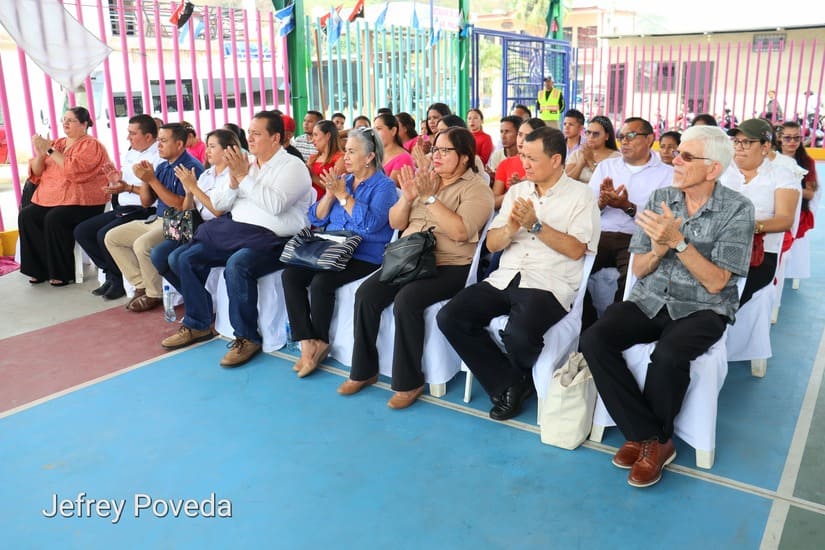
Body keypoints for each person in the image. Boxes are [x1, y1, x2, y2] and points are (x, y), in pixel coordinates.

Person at [580, 125, 755, 488]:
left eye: (686, 156)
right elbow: (640, 269)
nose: (675, 160)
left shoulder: (737, 210)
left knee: (670, 354)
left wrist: (678, 242)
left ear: (713, 169)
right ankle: (651, 437)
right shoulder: (661, 197)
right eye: (676, 153)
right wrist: (658, 250)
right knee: (594, 339)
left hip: (704, 307)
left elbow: (717, 283)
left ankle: (648, 443)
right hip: (652, 297)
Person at [438, 127, 600, 421]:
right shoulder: (518, 191)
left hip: (549, 282)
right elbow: (491, 244)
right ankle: (511, 383)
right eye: (523, 156)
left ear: (556, 160)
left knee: (520, 335)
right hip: (506, 276)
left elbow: (577, 250)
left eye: (532, 158)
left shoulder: (581, 196)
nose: (524, 163)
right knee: (450, 316)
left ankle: (510, 384)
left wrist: (536, 226)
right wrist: (511, 229)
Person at [338, 127, 494, 409]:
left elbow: (461, 232)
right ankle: (364, 370)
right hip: (408, 258)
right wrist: (407, 198)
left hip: (449, 264)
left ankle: (409, 382)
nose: (437, 156)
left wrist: (431, 199)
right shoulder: (425, 179)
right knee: (366, 294)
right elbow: (397, 223)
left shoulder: (477, 189)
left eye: (445, 150)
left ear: (464, 157)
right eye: (435, 149)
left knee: (407, 300)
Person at [161, 111, 312, 367]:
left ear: (275, 138)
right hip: (238, 233)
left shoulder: (293, 167)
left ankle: (247, 337)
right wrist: (233, 181)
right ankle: (198, 323)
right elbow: (219, 204)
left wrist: (244, 177)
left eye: (256, 134)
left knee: (238, 264)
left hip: (277, 240)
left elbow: (275, 205)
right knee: (184, 258)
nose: (249, 138)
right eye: (249, 132)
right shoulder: (247, 163)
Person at [282, 128, 397, 378]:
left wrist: (344, 196)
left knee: (322, 282)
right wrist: (330, 195)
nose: (346, 156)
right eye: (346, 151)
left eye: (352, 151)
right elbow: (315, 218)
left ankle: (321, 341)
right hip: (331, 248)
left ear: (369, 157)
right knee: (290, 275)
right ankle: (306, 342)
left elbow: (370, 224)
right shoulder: (343, 180)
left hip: (364, 254)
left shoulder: (384, 187)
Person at [582, 117, 673, 328]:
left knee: (631, 279)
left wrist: (627, 207)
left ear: (649, 139)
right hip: (602, 234)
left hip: (638, 238)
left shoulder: (667, 174)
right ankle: (586, 324)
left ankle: (611, 327)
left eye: (631, 135)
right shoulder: (606, 167)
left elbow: (663, 219)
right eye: (621, 136)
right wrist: (602, 202)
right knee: (572, 269)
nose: (624, 141)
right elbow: (587, 209)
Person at [104, 123, 204, 312]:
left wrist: (151, 179)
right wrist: (145, 179)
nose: (159, 146)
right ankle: (140, 284)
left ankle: (154, 294)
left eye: (164, 141)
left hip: (180, 221)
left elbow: (180, 206)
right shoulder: (163, 166)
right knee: (112, 237)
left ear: (179, 144)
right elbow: (146, 202)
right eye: (159, 141)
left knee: (142, 245)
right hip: (157, 218)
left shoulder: (191, 167)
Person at [18, 106, 111, 285]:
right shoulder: (58, 143)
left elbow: (74, 170)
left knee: (54, 218)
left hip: (84, 201)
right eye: (64, 120)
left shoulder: (91, 145)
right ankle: (39, 269)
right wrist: (41, 153)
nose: (65, 123)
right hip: (53, 198)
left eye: (71, 120)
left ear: (84, 124)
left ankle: (61, 273)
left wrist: (50, 150)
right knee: (27, 215)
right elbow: (36, 171)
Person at [74, 114, 161, 299]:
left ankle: (117, 279)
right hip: (124, 207)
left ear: (148, 136)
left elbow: (154, 195)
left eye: (133, 133)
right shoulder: (132, 152)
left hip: (144, 210)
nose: (128, 137)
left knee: (103, 234)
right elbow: (124, 182)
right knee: (82, 231)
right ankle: (111, 272)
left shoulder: (157, 157)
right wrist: (116, 181)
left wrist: (127, 188)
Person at [150, 129, 239, 292]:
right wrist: (189, 193)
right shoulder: (206, 175)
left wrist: (193, 187)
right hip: (194, 227)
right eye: (207, 146)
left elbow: (218, 211)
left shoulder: (232, 175)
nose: (207, 151)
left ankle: (198, 298)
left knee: (176, 258)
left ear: (227, 150)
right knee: (157, 254)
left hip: (217, 231)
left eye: (212, 146)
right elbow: (187, 210)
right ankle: (191, 295)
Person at [722, 119, 800, 305]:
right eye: (736, 141)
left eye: (747, 142)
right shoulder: (722, 171)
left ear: (765, 146)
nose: (739, 147)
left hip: (758, 255)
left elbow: (785, 219)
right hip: (715, 247)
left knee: (722, 299)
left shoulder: (781, 175)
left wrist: (750, 226)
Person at [492, 118, 545, 209]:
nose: (521, 140)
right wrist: (515, 190)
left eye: (528, 136)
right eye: (520, 135)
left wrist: (529, 185)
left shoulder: (546, 164)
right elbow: (494, 202)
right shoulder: (505, 164)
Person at [780, 121, 818, 239]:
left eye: (797, 138)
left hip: (797, 217)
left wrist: (788, 189)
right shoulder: (771, 158)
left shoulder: (807, 161)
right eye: (787, 138)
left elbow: (810, 194)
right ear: (779, 138)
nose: (792, 141)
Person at [565, 115, 621, 184]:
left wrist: (591, 161)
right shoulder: (577, 154)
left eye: (596, 134)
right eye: (588, 132)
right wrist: (580, 163)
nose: (591, 137)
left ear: (606, 136)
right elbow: (566, 181)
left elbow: (612, 183)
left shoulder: (616, 157)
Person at [307, 120, 345, 200]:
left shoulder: (341, 158)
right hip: (311, 203)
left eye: (316, 135)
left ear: (328, 136)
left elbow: (337, 189)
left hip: (330, 204)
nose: (313, 139)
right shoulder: (313, 158)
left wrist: (312, 176)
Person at [373, 113, 413, 184]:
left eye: (379, 129)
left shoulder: (403, 158)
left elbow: (388, 187)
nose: (374, 134)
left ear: (393, 131)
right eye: (374, 130)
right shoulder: (375, 154)